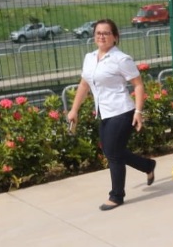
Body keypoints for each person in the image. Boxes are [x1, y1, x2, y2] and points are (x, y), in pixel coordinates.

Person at [67, 18, 156, 211]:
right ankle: (147, 165)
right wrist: (74, 110)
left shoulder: (121, 59)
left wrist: (139, 111)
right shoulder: (89, 58)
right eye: (98, 33)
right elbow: (84, 85)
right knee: (112, 151)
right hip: (104, 112)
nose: (102, 36)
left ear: (115, 37)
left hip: (122, 111)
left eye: (106, 33)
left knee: (113, 155)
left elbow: (138, 85)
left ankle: (116, 196)